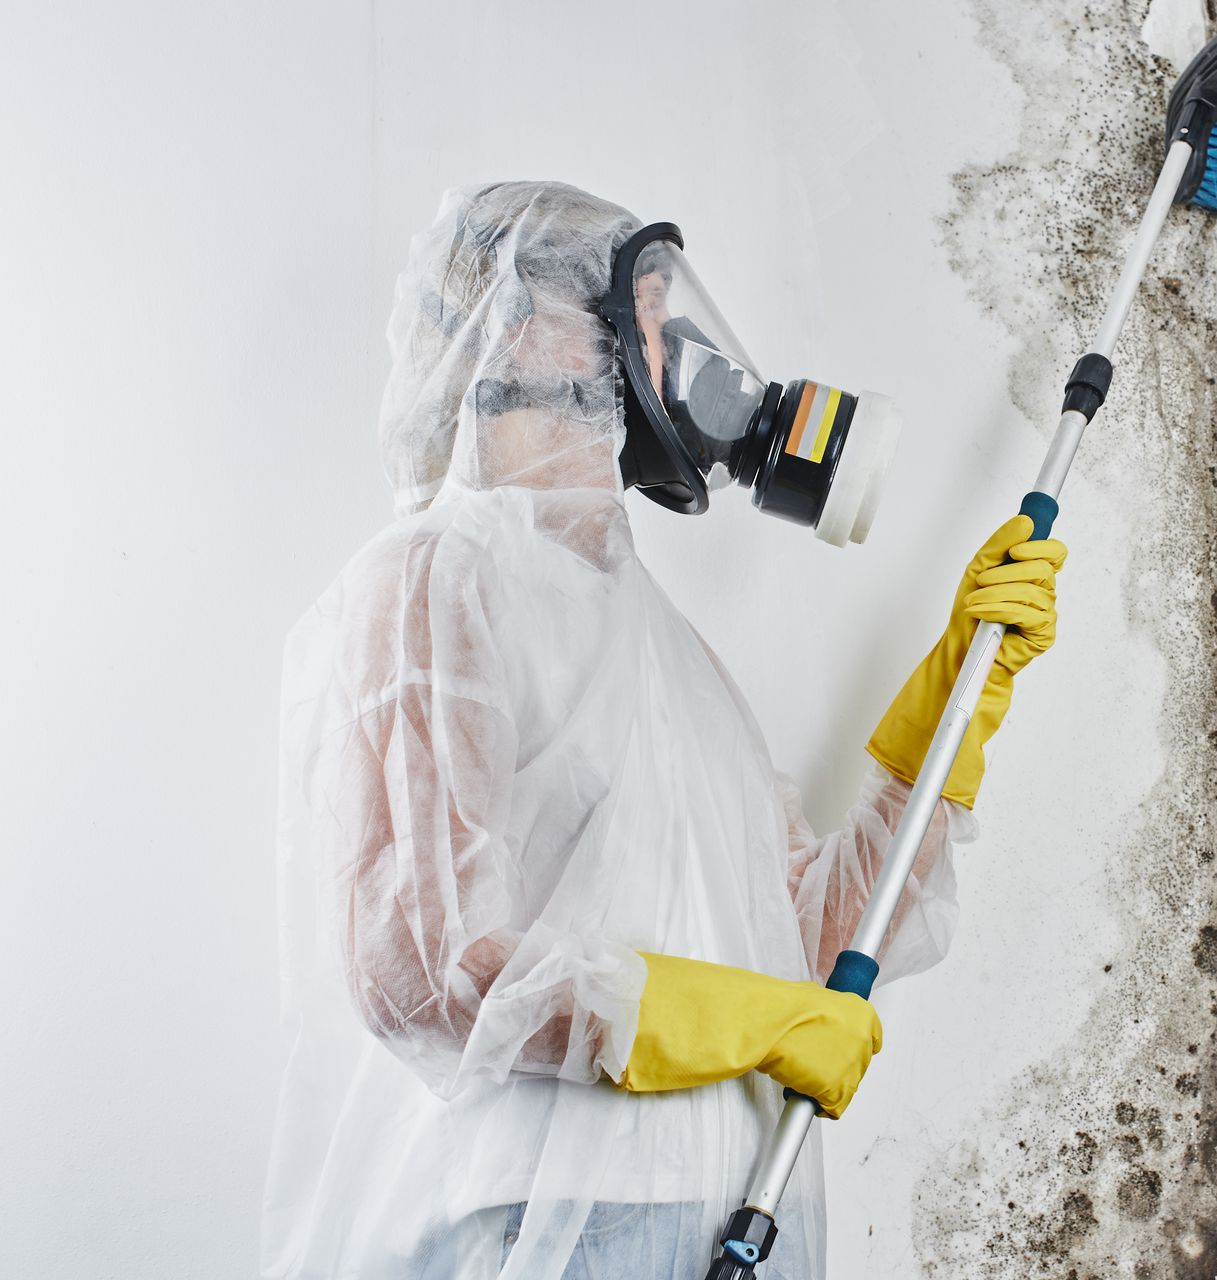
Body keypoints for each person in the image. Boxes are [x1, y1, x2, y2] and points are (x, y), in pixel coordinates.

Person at [263, 180, 1067, 1280]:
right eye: (638, 302)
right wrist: (732, 1023)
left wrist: (957, 696)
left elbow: (815, 948)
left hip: (746, 1213)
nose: (670, 337)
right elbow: (418, 960)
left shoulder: (668, 652)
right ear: (518, 328)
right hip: (546, 1224)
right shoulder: (437, 578)